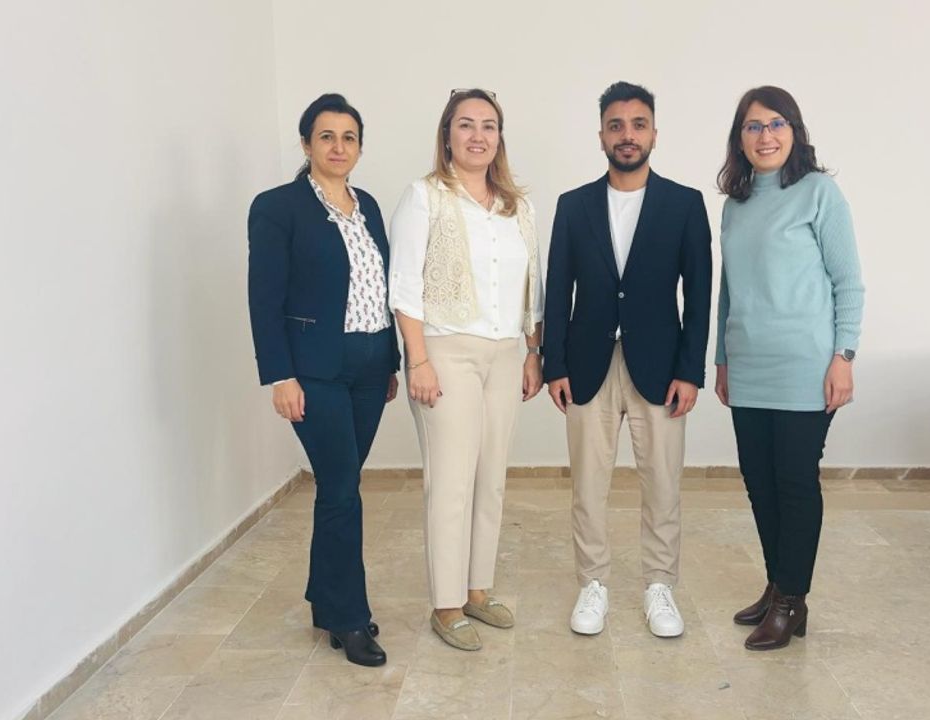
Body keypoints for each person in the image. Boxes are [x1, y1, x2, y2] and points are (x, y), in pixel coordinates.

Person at [543, 81, 712, 639]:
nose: (627, 135)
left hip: (660, 368)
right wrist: (554, 364)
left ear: (654, 134)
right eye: (616, 125)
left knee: (662, 483)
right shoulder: (573, 206)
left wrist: (690, 371)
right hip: (586, 365)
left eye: (638, 125)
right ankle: (592, 584)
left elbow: (700, 295)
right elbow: (557, 290)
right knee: (588, 486)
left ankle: (659, 585)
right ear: (601, 136)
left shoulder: (684, 204)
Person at [247, 93, 400, 667]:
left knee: (341, 485)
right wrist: (280, 376)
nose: (339, 147)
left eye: (349, 137)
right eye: (327, 136)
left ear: (360, 147)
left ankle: (327, 599)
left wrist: (390, 362)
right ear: (307, 143)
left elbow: (382, 288)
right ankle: (348, 617)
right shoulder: (278, 207)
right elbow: (264, 299)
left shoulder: (369, 207)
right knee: (341, 489)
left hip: (370, 368)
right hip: (315, 372)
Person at [388, 88, 544, 651]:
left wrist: (533, 350)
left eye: (489, 125)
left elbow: (533, 285)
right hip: (445, 351)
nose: (478, 135)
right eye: (466, 124)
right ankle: (446, 604)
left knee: (491, 476)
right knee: (451, 481)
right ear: (447, 135)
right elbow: (404, 285)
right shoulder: (424, 196)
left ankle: (478, 589)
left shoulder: (518, 206)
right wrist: (418, 361)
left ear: (500, 137)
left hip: (505, 354)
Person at [714, 85, 865, 651]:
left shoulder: (819, 193)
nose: (765, 136)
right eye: (753, 126)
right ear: (740, 139)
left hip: (806, 365)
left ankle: (792, 601)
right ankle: (778, 584)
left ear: (795, 132)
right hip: (748, 365)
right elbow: (729, 290)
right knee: (759, 483)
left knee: (795, 482)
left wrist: (843, 356)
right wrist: (722, 359)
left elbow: (848, 283)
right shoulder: (735, 205)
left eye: (776, 124)